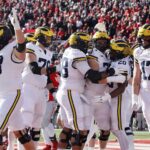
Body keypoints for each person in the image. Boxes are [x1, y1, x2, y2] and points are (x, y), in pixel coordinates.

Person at [56, 32, 126, 150]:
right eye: (98, 42)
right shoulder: (86, 54)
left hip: (89, 94)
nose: (102, 44)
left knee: (104, 128)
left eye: (104, 42)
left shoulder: (71, 52)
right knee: (81, 129)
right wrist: (112, 74)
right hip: (83, 94)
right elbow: (93, 77)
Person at [0, 8, 35, 150]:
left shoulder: (11, 48)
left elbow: (21, 49)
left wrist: (17, 28)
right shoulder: (2, 51)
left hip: (11, 95)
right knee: (22, 135)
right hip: (3, 95)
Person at [94, 39, 132, 150]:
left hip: (119, 97)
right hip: (113, 97)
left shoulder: (123, 63)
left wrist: (107, 96)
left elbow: (122, 85)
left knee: (118, 129)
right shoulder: (116, 61)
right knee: (112, 128)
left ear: (121, 52)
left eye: (114, 51)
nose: (111, 53)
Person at [21, 26, 55, 148]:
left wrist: (53, 92)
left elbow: (48, 77)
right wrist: (55, 68)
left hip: (41, 91)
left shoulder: (49, 53)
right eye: (47, 37)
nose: (49, 40)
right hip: (29, 88)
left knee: (37, 125)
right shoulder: (30, 47)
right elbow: (34, 68)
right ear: (39, 36)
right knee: (25, 122)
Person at [132, 24, 150, 132]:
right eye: (142, 38)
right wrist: (134, 96)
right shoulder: (138, 51)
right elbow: (136, 75)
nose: (143, 40)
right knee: (147, 115)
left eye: (146, 38)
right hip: (146, 89)